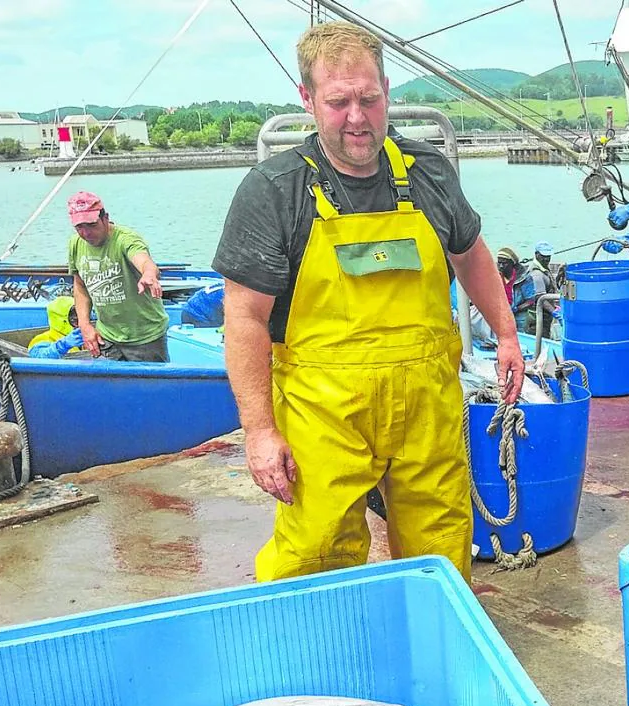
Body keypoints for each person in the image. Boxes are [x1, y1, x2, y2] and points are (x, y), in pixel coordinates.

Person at [212, 21, 524, 585]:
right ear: (307, 100)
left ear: (387, 89)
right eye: (338, 102)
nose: (357, 117)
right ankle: (315, 664)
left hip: (427, 404)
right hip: (323, 413)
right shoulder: (273, 190)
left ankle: (430, 652)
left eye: (369, 98)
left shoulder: (428, 171)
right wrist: (259, 432)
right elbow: (245, 318)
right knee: (315, 551)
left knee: (439, 550)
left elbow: (471, 253)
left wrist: (506, 334)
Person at [66, 191, 169, 362]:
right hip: (107, 336)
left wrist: (149, 274)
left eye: (91, 225)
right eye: (79, 227)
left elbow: (144, 260)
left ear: (105, 218)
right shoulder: (75, 244)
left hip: (145, 337)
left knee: (148, 388)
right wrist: (85, 325)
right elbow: (80, 286)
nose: (86, 233)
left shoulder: (125, 239)